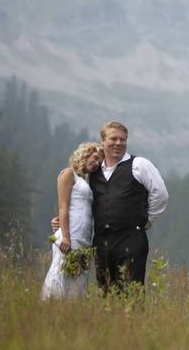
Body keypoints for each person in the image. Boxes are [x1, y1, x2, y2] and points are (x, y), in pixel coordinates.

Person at [52, 120, 169, 293]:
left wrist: (145, 221)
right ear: (103, 141)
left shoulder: (139, 165)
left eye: (122, 139)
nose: (118, 143)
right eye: (113, 139)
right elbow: (79, 201)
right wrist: (61, 222)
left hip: (131, 238)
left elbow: (160, 195)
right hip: (101, 242)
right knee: (105, 291)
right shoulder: (93, 173)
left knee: (132, 292)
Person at [41, 142, 102, 300]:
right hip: (70, 236)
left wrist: (58, 220)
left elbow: (79, 207)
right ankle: (52, 306)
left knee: (78, 276)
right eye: (95, 158)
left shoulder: (86, 181)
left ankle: (72, 312)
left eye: (99, 162)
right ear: (85, 154)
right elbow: (63, 206)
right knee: (62, 270)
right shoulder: (68, 174)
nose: (96, 163)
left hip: (84, 236)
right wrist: (66, 236)